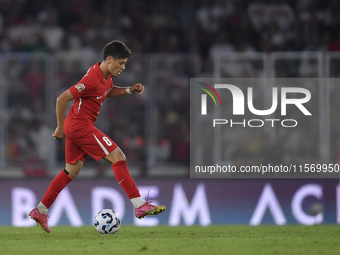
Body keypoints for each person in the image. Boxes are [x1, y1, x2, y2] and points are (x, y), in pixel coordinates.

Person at [29, 40, 166, 233]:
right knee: (118, 157)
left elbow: (107, 91)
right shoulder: (92, 79)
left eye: (125, 63)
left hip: (76, 125)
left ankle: (40, 210)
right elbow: (62, 98)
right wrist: (59, 127)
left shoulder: (104, 76)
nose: (123, 67)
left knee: (71, 171)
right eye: (121, 63)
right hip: (80, 126)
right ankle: (139, 205)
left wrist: (128, 90)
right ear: (109, 59)